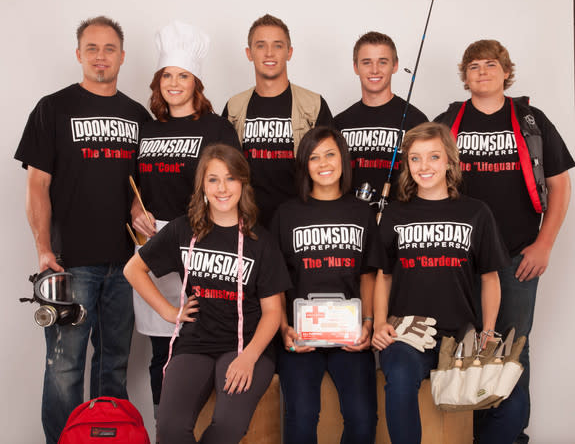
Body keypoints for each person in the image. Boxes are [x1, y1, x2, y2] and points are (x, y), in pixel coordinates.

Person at [14, 16, 151, 444]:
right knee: (65, 368)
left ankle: (106, 439)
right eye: (91, 48)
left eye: (109, 48)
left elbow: (140, 187)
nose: (100, 56)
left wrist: (139, 214)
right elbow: (37, 182)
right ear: (78, 54)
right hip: (70, 265)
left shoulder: (137, 115)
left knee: (112, 365)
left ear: (122, 57)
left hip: (126, 267)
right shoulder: (52, 109)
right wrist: (42, 250)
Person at [434, 39, 574, 443]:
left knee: (511, 350)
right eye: (474, 66)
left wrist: (544, 244)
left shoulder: (531, 119)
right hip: (458, 261)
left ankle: (508, 437)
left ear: (506, 72)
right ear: (465, 76)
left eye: (491, 65)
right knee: (458, 349)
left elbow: (559, 185)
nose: (482, 72)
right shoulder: (449, 120)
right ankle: (462, 434)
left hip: (517, 256)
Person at [372, 122, 527, 444]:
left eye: (433, 157)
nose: (424, 166)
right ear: (407, 164)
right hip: (409, 331)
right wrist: (379, 325)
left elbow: (490, 277)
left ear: (449, 161)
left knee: (512, 400)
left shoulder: (476, 212)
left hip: (462, 335)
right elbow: (383, 276)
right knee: (399, 378)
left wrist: (487, 331)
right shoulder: (394, 214)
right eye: (415, 158)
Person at [124, 144, 291, 444]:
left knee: (226, 427)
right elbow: (133, 269)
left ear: (243, 182)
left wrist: (248, 358)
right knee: (170, 429)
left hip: (246, 345)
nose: (222, 188)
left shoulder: (261, 241)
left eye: (230, 178)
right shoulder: (182, 230)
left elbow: (272, 312)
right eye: (213, 179)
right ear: (202, 185)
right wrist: (167, 311)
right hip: (195, 343)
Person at [130, 20, 240, 421]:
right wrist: (133, 209)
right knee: (163, 347)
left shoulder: (216, 128)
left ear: (197, 82)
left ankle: (208, 421)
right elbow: (133, 185)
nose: (174, 83)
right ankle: (167, 425)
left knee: (200, 340)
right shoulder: (146, 128)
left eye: (183, 75)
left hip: (204, 243)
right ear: (158, 81)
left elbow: (232, 188)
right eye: (167, 76)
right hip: (155, 245)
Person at [271, 127, 379, 444]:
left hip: (350, 335)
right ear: (305, 165)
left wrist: (369, 324)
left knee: (362, 419)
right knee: (302, 418)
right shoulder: (286, 214)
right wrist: (283, 329)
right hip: (301, 336)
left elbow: (368, 274)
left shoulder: (361, 212)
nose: (323, 163)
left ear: (343, 159)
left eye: (330, 154)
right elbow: (275, 280)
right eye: (314, 157)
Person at [222, 14, 334, 228]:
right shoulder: (234, 107)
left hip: (301, 220)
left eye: (278, 46)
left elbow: (330, 169)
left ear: (289, 52)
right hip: (248, 222)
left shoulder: (313, 105)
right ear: (249, 53)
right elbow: (223, 168)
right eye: (261, 46)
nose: (269, 53)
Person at [335, 31, 427, 204]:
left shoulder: (417, 121)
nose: (375, 70)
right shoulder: (340, 122)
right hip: (351, 223)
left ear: (395, 65)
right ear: (356, 67)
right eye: (366, 62)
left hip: (400, 221)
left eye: (382, 62)